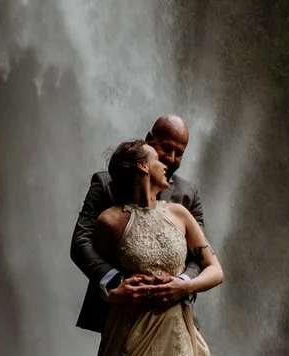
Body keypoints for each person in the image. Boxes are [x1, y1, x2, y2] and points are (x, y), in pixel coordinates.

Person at [84, 137, 225, 356]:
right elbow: (99, 274)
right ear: (143, 167)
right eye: (158, 159)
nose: (167, 165)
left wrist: (184, 286)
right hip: (129, 331)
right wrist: (114, 294)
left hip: (175, 330)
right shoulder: (109, 221)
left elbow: (215, 270)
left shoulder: (181, 214)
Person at [70, 115, 202, 331]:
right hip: (120, 312)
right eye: (166, 148)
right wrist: (117, 281)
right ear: (150, 138)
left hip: (174, 313)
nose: (171, 158)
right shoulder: (105, 185)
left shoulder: (188, 195)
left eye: (179, 153)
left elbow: (200, 255)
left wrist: (182, 283)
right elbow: (80, 243)